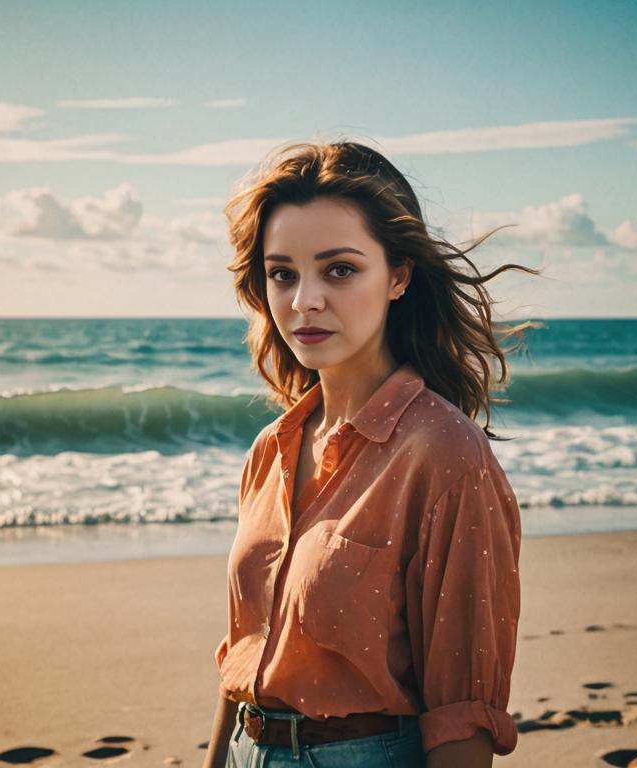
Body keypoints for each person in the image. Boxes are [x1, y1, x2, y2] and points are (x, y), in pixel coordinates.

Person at [202, 139, 539, 768]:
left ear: (400, 276)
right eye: (283, 273)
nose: (305, 300)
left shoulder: (443, 454)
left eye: (339, 269)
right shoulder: (270, 450)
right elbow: (242, 648)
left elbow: (463, 713)